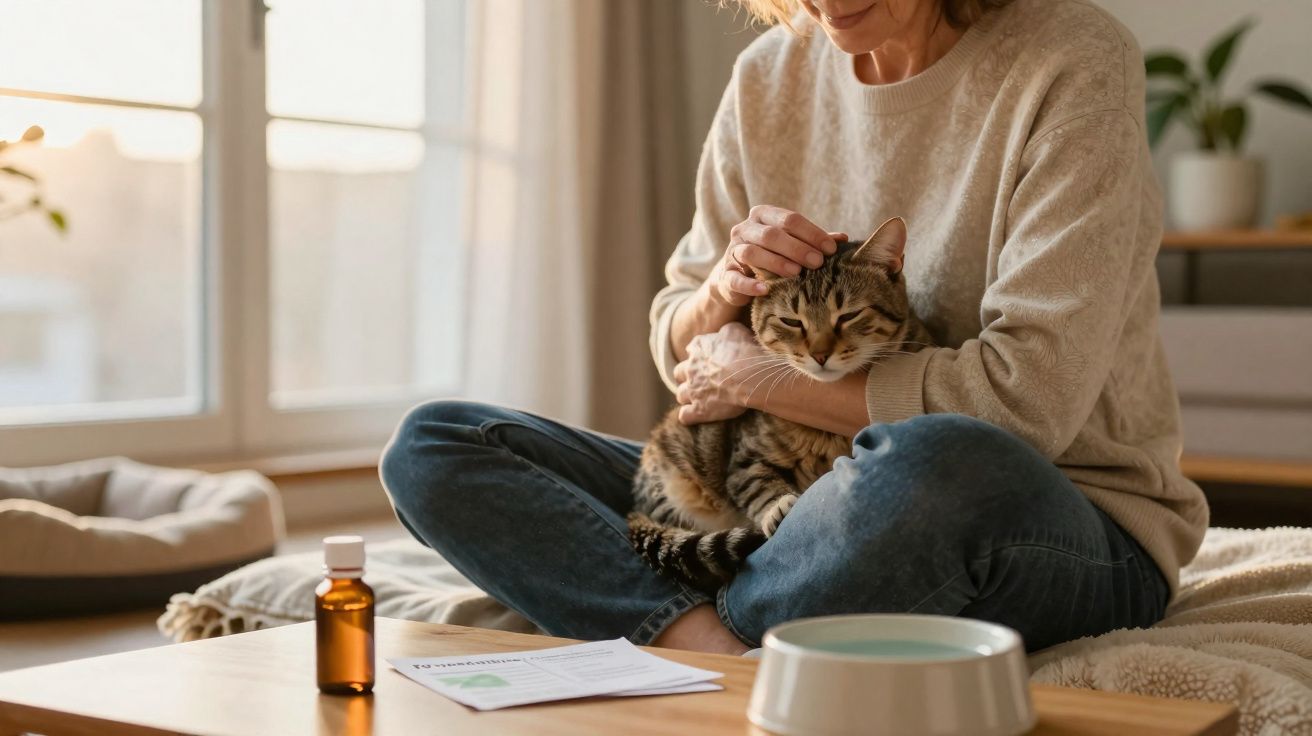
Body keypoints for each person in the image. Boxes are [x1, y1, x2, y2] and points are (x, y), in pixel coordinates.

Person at [381, 0, 1208, 655]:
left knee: (938, 460)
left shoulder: (1072, 58)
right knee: (436, 445)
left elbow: (1027, 404)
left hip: (1047, 507)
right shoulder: (765, 77)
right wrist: (723, 295)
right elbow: (679, 334)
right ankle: (708, 641)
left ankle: (678, 614)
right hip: (772, 490)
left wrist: (752, 374)